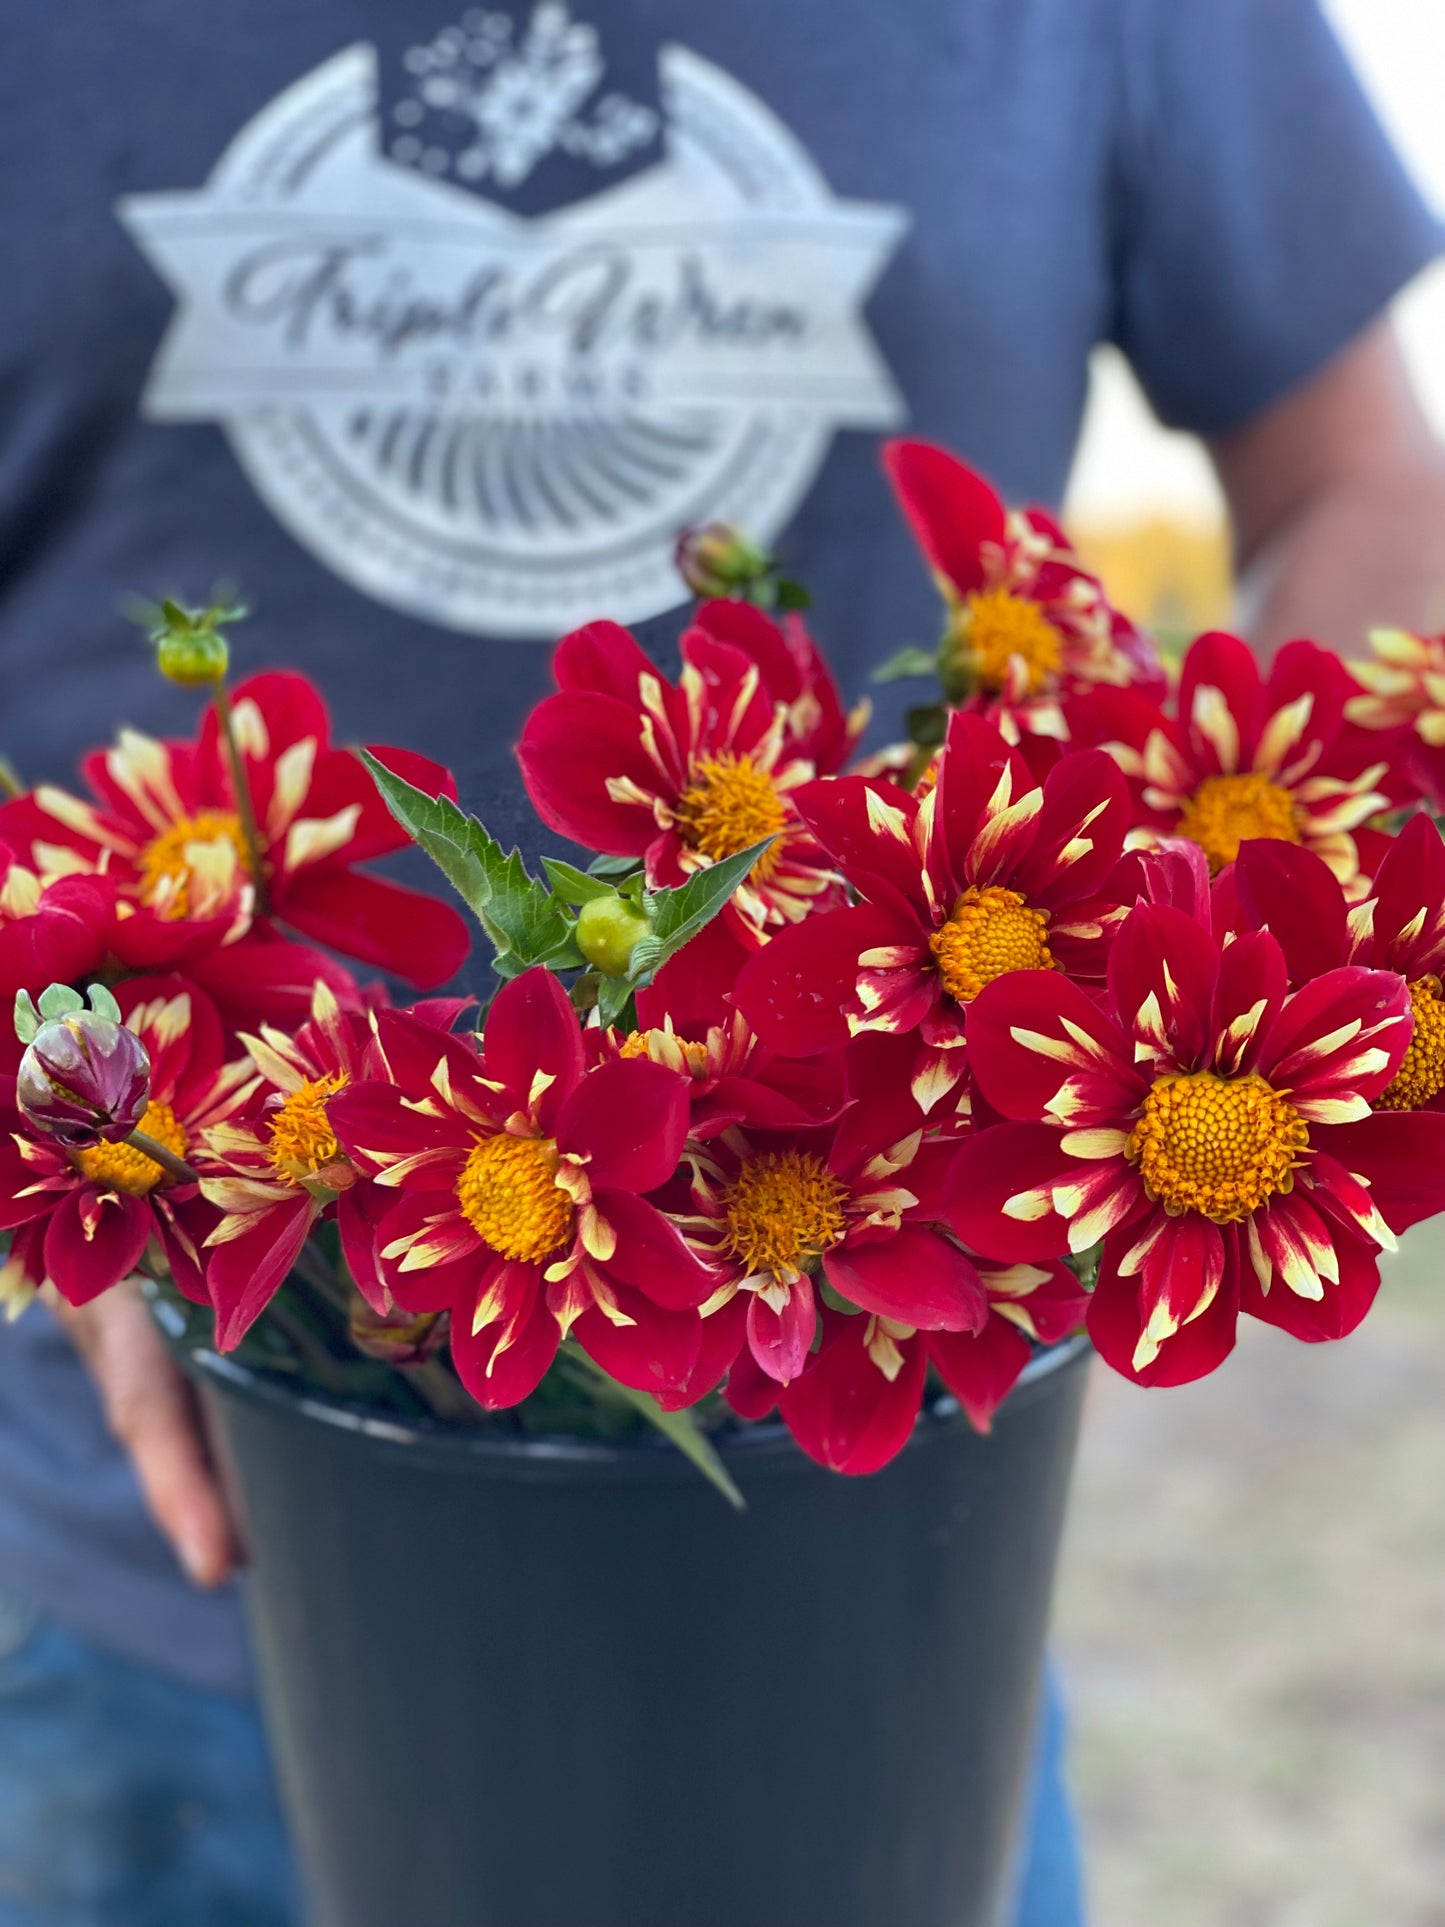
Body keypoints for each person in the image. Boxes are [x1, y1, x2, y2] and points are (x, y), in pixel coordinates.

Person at [1, 1, 1443, 1920]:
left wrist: (1224, 908)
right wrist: (83, 1126)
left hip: (872, 1595)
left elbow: (1363, 477)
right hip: (192, 1560)